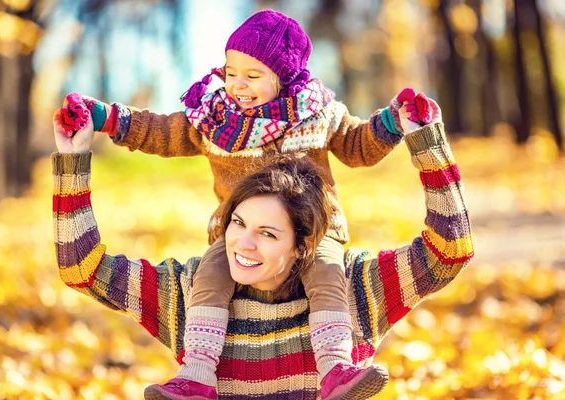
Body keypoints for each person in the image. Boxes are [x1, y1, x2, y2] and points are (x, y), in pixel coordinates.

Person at [59, 9, 435, 399]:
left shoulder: (315, 113)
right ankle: (198, 373)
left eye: (253, 76)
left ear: (284, 77)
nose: (239, 85)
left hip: (313, 232)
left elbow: (358, 147)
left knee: (326, 273)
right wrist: (105, 118)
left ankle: (335, 365)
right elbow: (158, 132)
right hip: (239, 236)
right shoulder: (214, 119)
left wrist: (391, 123)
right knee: (209, 275)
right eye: (231, 72)